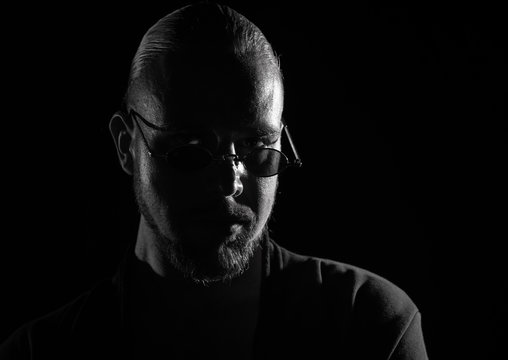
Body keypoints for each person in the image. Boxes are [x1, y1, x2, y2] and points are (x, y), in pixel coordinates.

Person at [0, 2, 428, 359]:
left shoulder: (370, 325)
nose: (229, 182)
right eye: (190, 150)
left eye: (259, 148)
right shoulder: (41, 353)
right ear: (125, 145)